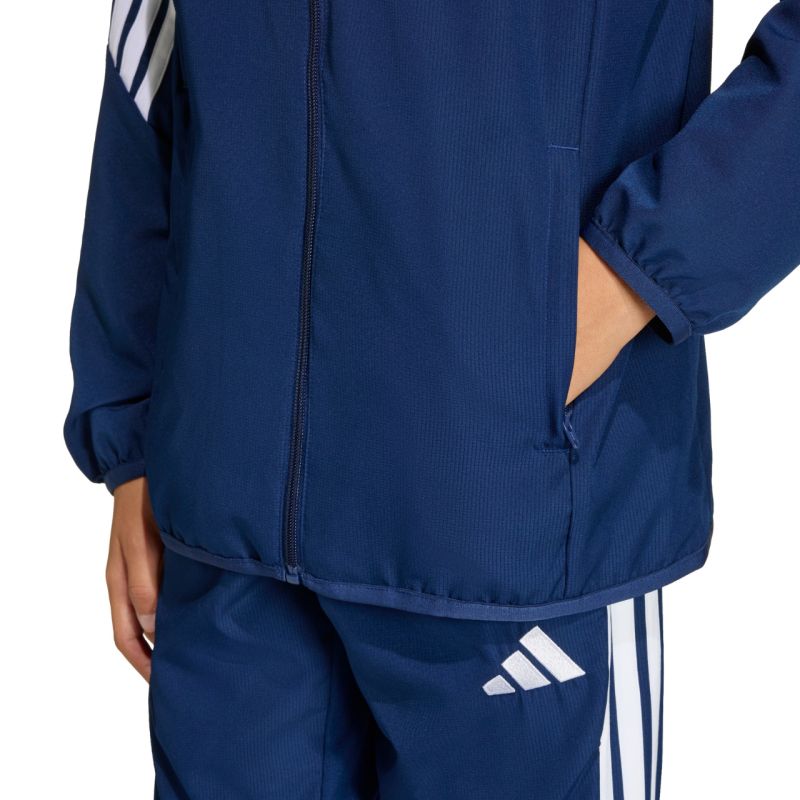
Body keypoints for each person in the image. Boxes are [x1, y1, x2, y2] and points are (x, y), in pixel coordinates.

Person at [65, 1, 800, 797]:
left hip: (507, 520)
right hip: (227, 502)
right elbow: (151, 41)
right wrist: (131, 424)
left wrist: (633, 275)